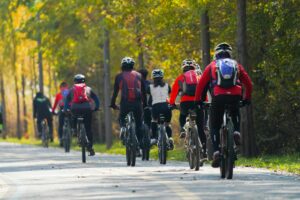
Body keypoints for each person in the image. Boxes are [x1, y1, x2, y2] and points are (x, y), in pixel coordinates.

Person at [195, 42, 253, 168]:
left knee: (215, 125)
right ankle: (236, 132)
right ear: (229, 54)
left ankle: (216, 152)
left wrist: (198, 100)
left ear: (216, 54)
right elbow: (248, 83)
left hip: (218, 96)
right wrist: (247, 98)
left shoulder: (212, 65)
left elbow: (201, 85)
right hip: (235, 95)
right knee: (235, 110)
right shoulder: (236, 65)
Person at [169, 59, 207, 155]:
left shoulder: (181, 78)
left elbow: (174, 92)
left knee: (182, 115)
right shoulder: (199, 76)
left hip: (185, 102)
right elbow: (203, 90)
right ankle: (204, 151)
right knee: (201, 128)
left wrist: (172, 103)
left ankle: (182, 129)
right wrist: (205, 101)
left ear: (183, 68)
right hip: (198, 102)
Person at [110, 57, 146, 150]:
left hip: (125, 103)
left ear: (122, 66)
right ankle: (139, 144)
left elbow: (115, 92)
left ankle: (123, 130)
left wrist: (113, 104)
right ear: (132, 66)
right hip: (137, 103)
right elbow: (143, 92)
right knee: (138, 124)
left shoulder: (119, 76)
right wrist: (145, 104)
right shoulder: (139, 75)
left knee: (122, 117)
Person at [64, 74, 100, 156]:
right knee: (88, 128)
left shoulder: (72, 89)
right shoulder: (88, 89)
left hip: (75, 108)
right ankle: (90, 147)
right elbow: (96, 98)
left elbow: (67, 101)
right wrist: (96, 107)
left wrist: (66, 109)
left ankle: (74, 130)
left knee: (73, 115)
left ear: (75, 81)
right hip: (87, 108)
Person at [147, 69, 173, 149]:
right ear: (162, 77)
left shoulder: (150, 87)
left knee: (154, 121)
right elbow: (168, 94)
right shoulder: (167, 86)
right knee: (167, 124)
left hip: (156, 108)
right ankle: (170, 138)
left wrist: (148, 105)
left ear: (153, 78)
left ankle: (154, 138)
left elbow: (150, 99)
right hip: (167, 107)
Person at [52, 82, 69, 146]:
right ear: (67, 87)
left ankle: (61, 138)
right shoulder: (69, 93)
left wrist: (53, 111)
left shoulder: (59, 95)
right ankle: (73, 131)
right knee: (71, 120)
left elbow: (55, 104)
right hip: (69, 109)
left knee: (61, 124)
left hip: (62, 109)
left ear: (60, 88)